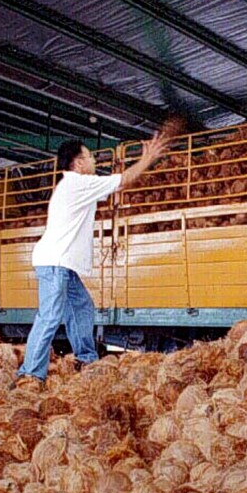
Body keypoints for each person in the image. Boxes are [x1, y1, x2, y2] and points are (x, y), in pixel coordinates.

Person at [13, 128, 174, 389]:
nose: (94, 161)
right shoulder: (77, 183)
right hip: (55, 263)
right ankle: (30, 373)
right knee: (50, 317)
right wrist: (148, 157)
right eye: (90, 157)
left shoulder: (76, 186)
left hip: (63, 264)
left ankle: (86, 359)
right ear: (78, 163)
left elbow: (112, 186)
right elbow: (125, 180)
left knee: (82, 307)